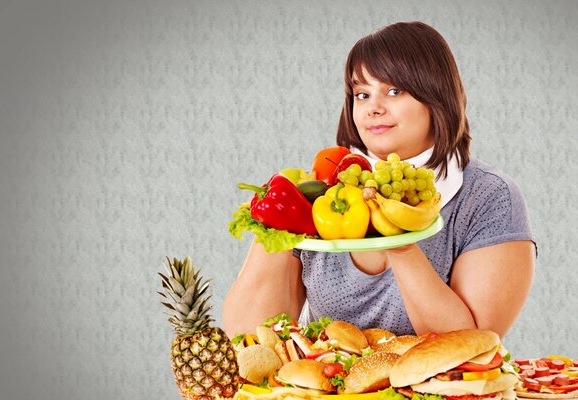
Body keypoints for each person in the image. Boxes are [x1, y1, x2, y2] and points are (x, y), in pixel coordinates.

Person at [222, 21, 535, 339]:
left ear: (437, 97)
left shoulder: (488, 196)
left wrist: (401, 246)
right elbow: (249, 337)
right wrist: (272, 219)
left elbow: (470, 347)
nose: (373, 108)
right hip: (329, 387)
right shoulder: (320, 193)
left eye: (395, 90)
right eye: (362, 93)